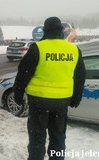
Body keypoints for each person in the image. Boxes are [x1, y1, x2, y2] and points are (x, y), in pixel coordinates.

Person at [13, 17, 86, 160]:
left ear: (45, 31)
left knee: (37, 139)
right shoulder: (74, 49)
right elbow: (80, 76)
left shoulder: (38, 48)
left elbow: (23, 73)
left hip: (39, 102)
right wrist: (76, 97)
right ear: (61, 31)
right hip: (61, 103)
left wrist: (18, 94)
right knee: (58, 138)